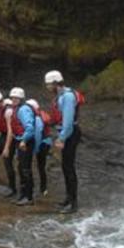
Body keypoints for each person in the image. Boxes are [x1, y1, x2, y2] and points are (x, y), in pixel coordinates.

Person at [46, 70, 83, 213]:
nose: (48, 88)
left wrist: (61, 138)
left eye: (49, 85)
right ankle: (68, 198)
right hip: (68, 132)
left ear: (56, 83)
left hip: (70, 133)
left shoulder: (67, 97)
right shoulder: (63, 95)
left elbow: (67, 122)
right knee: (66, 167)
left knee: (69, 168)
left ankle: (73, 203)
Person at [8, 88, 39, 206]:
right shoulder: (18, 109)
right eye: (12, 98)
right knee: (21, 167)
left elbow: (30, 128)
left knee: (25, 169)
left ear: (21, 99)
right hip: (20, 140)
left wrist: (24, 141)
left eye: (16, 98)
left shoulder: (23, 110)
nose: (13, 100)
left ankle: (29, 197)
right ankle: (23, 194)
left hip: (25, 141)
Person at [27, 98, 52, 196]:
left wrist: (35, 149)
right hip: (47, 142)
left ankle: (42, 188)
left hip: (41, 143)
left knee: (39, 166)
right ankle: (43, 188)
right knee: (41, 166)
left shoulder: (37, 118)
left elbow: (37, 134)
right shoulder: (41, 114)